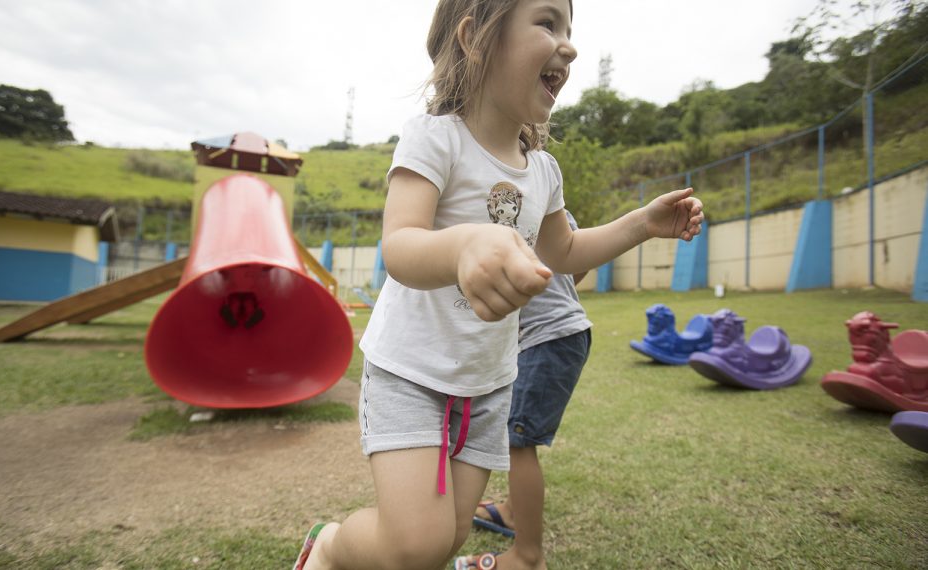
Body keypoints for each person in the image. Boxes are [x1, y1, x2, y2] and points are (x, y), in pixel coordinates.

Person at [293, 0, 703, 568]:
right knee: (415, 543)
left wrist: (642, 224)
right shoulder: (435, 139)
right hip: (411, 373)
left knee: (452, 534)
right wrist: (465, 244)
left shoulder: (543, 171)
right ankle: (333, 544)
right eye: (547, 23)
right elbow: (401, 244)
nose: (569, 44)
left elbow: (564, 252)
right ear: (475, 38)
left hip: (486, 384)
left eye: (569, 28)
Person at [457, 210, 591, 570]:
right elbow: (578, 261)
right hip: (562, 332)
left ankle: (528, 556)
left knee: (519, 443)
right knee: (514, 435)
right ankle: (513, 511)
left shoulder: (482, 207)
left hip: (547, 337)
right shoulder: (550, 206)